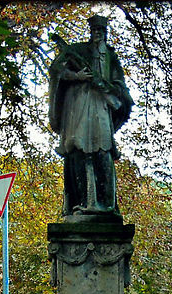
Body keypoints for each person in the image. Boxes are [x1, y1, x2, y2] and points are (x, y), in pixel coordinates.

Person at [48, 15, 133, 219]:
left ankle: (105, 203)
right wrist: (77, 77)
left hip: (100, 108)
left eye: (101, 32)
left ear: (105, 34)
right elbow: (56, 70)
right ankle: (81, 202)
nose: (97, 35)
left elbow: (120, 84)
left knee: (103, 150)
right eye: (94, 31)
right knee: (78, 148)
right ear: (90, 32)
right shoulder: (78, 50)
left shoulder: (110, 57)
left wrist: (108, 87)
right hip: (78, 107)